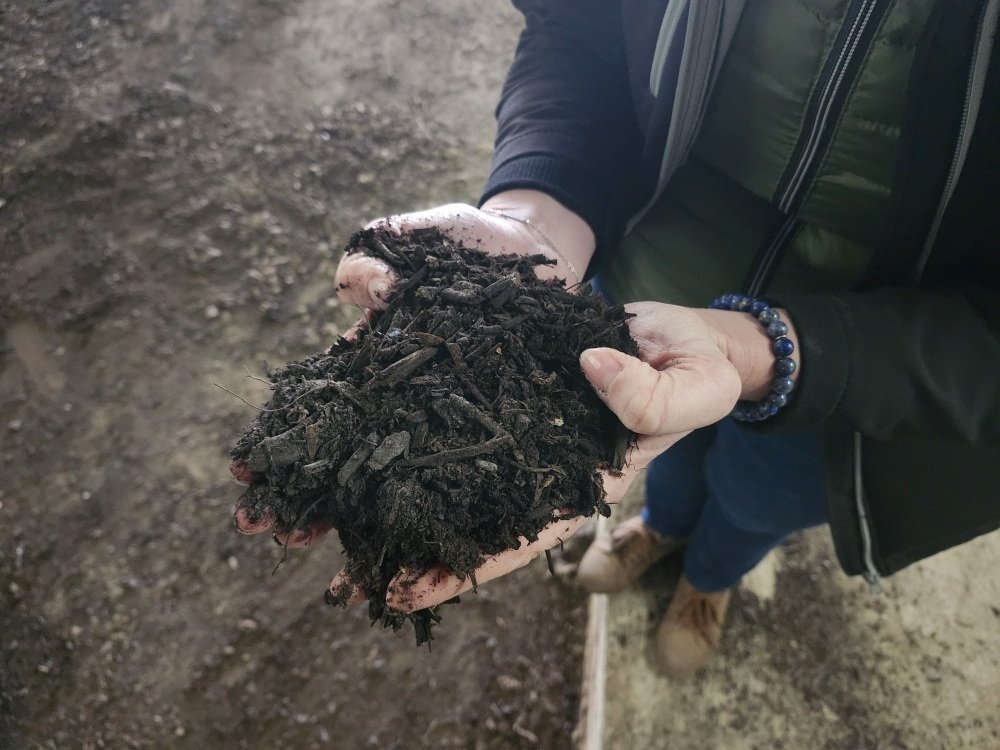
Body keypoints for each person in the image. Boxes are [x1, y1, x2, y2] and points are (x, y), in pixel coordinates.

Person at [237, 0, 1000, 676]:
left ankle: (710, 580)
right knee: (641, 427)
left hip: (885, 358)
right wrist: (538, 214)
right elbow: (582, 29)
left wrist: (770, 349)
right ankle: (659, 530)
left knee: (761, 495)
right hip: (661, 250)